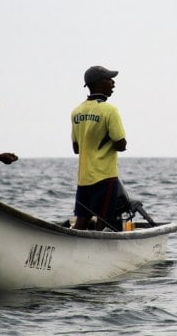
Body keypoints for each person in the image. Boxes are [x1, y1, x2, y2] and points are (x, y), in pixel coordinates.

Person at [70, 65, 127, 230]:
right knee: (104, 221)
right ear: (99, 83)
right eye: (110, 79)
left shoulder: (76, 111)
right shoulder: (110, 110)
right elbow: (121, 144)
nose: (113, 83)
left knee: (81, 221)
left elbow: (76, 148)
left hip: (83, 178)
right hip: (105, 177)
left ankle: (70, 244)